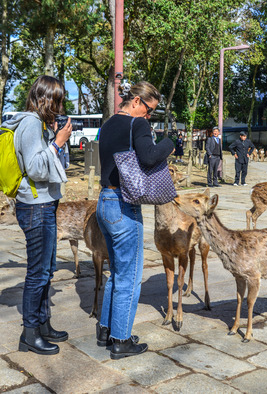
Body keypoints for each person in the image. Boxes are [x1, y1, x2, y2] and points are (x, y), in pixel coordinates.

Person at [96, 81, 174, 360]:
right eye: (150, 110)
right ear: (138, 101)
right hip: (123, 205)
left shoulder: (108, 124)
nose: (150, 116)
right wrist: (170, 141)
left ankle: (105, 330)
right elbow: (150, 157)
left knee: (117, 273)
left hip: (104, 201)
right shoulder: (136, 124)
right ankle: (121, 340)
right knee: (130, 277)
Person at [1, 75, 73, 356]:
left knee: (47, 269)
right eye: (57, 100)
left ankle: (42, 324)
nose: (59, 105)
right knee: (38, 273)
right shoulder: (31, 123)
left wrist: (54, 139)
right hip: (36, 207)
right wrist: (57, 142)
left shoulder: (38, 125)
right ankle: (29, 334)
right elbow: (36, 169)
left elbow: (48, 163)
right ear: (45, 99)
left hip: (44, 205)